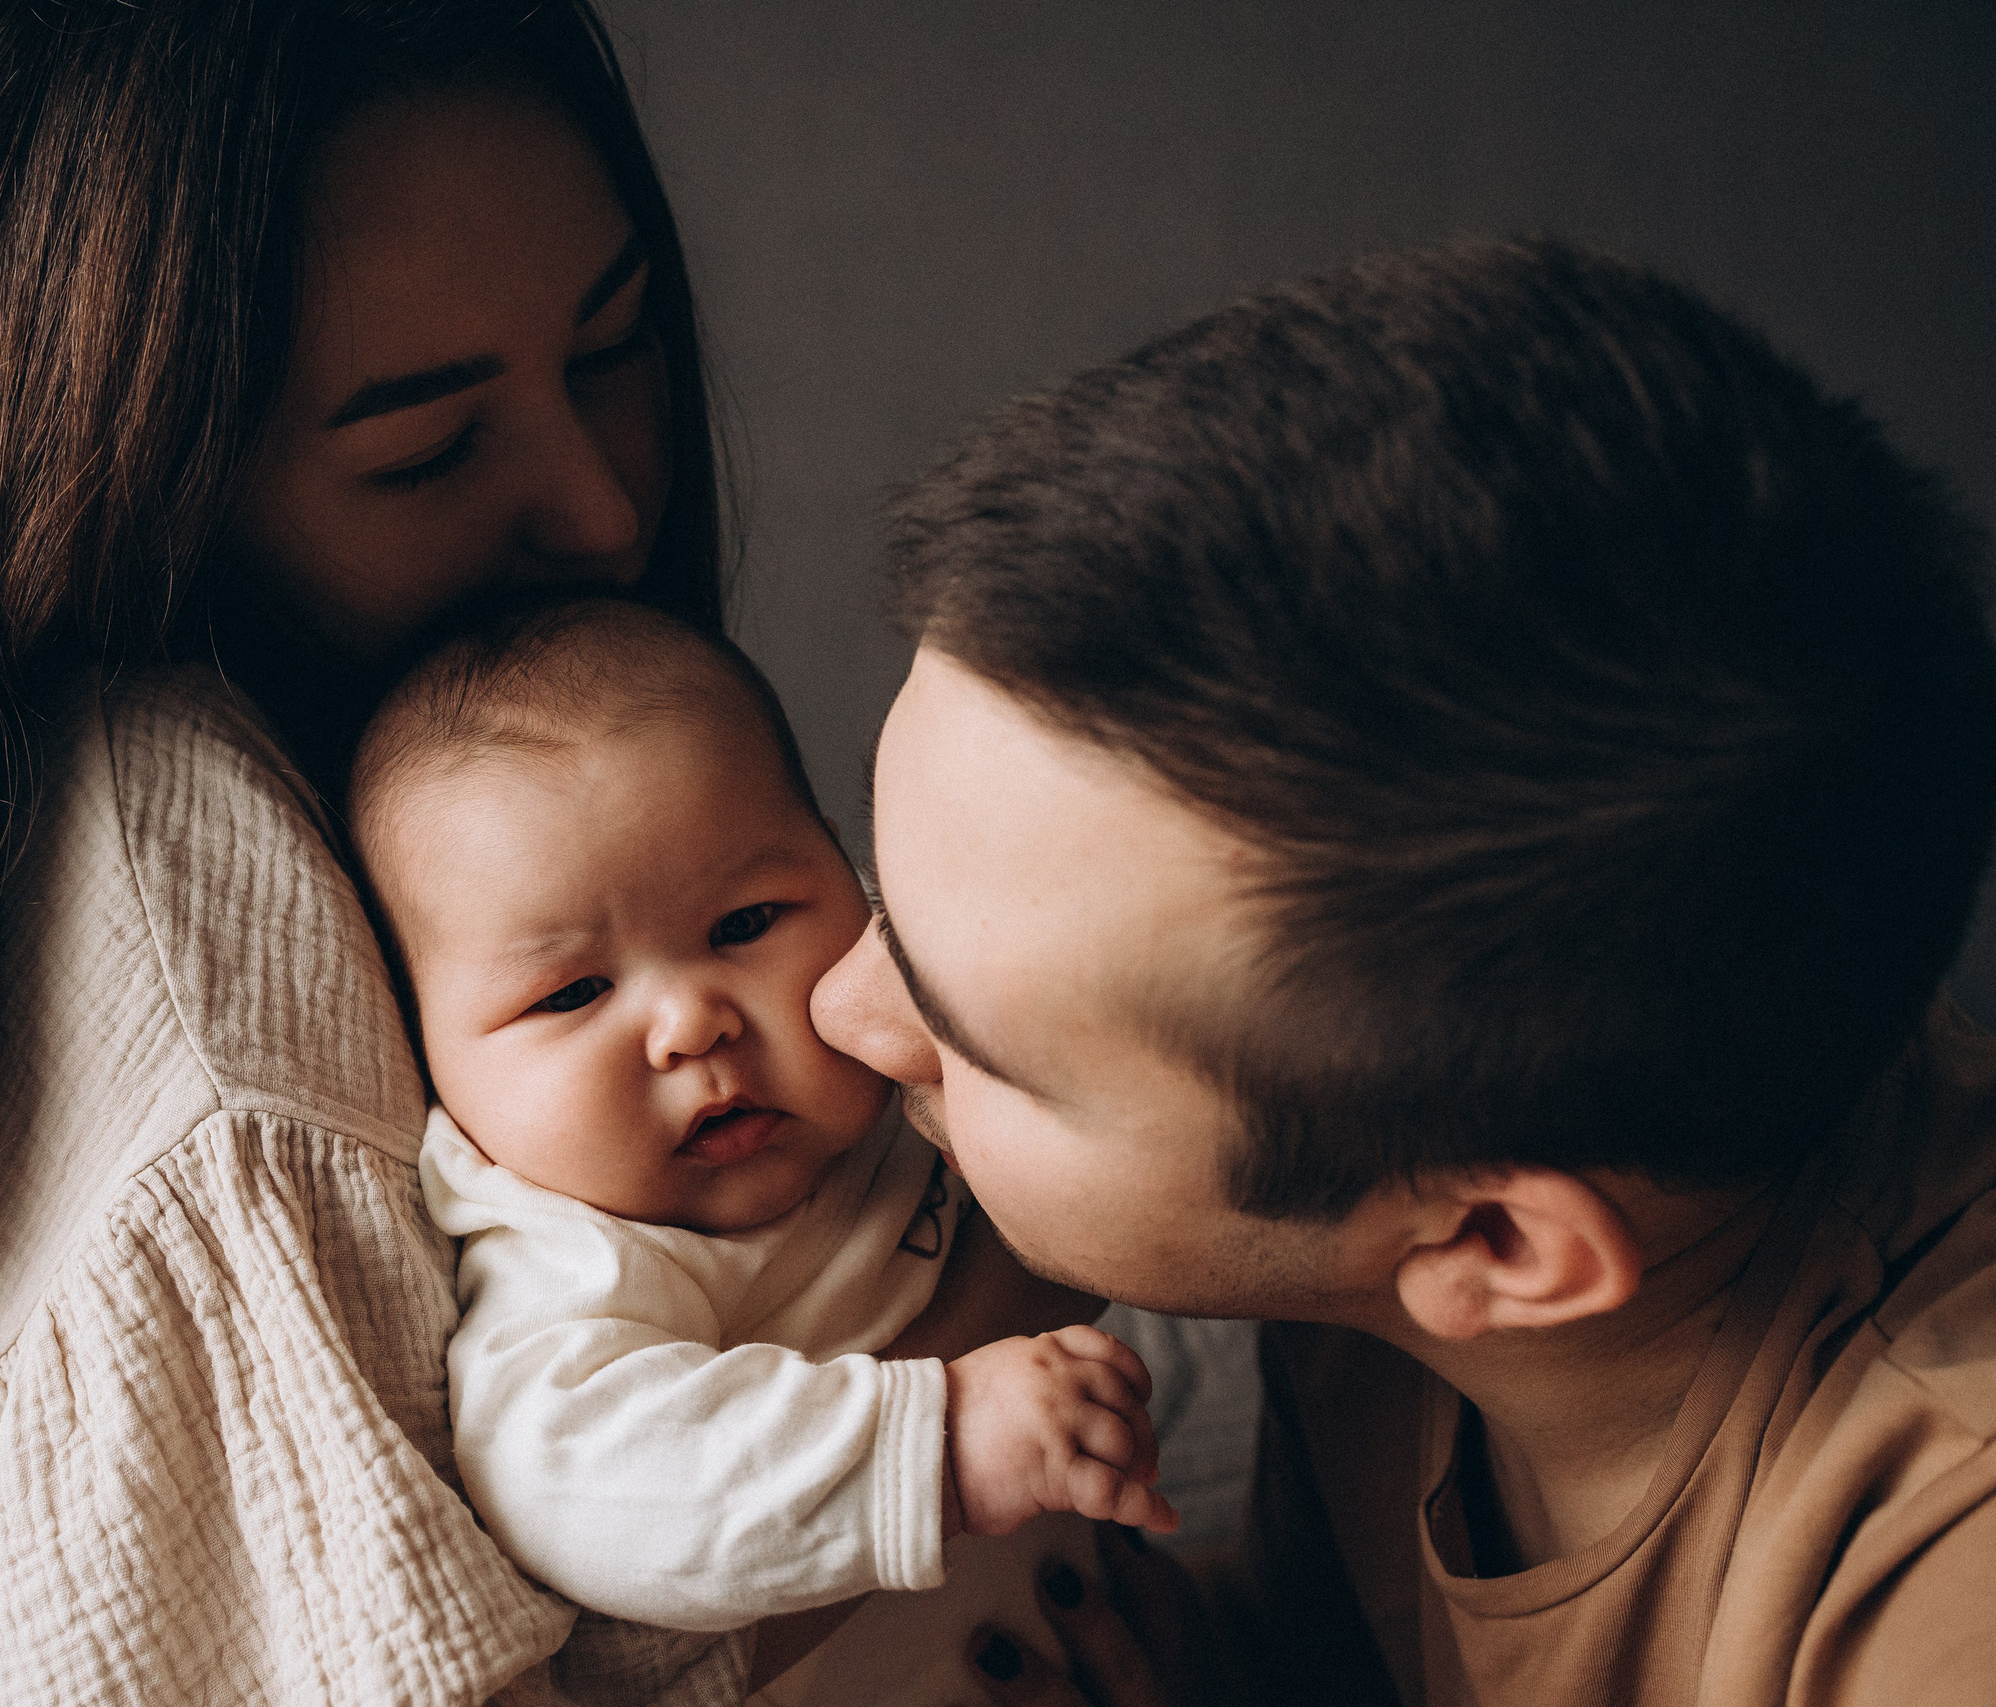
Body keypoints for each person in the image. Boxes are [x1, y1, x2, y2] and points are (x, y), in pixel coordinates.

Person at [0, 3, 1065, 1701]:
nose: (604, 512)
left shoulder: (382, 769)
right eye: (428, 445)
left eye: (618, 345)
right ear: (140, 474)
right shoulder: (181, 907)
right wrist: (992, 1343)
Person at [810, 239, 1996, 1706]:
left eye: (969, 1033)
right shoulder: (1404, 1216)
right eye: (878, 893)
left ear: (1494, 1245)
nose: (837, 1011)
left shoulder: (1933, 1594)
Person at [344, 596, 1174, 1656]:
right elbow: (583, 1486)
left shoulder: (884, 1009)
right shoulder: (573, 1252)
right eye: (571, 994)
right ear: (424, 1053)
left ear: (841, 870)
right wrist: (950, 1440)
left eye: (744, 926)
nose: (690, 1022)